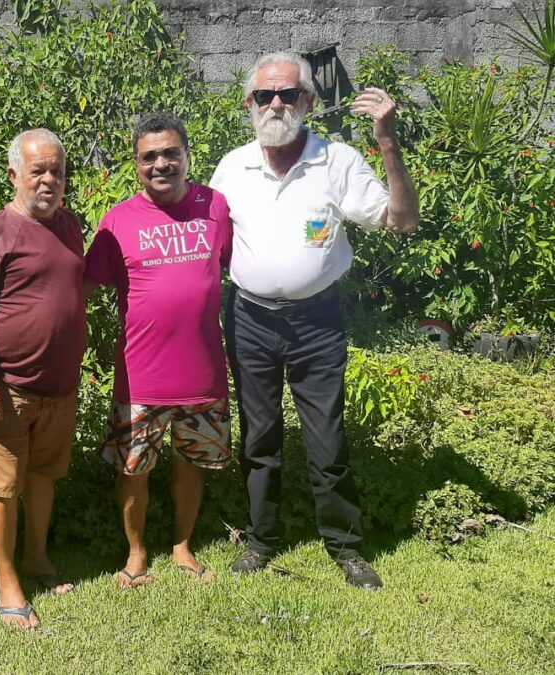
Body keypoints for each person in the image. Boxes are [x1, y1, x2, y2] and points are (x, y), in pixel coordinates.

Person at [209, 51, 419, 590]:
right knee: (259, 438)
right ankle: (261, 540)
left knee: (327, 441)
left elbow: (402, 221)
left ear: (308, 101)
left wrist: (388, 142)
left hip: (317, 323)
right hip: (249, 319)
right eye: (263, 95)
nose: (275, 104)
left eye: (287, 94)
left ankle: (345, 547)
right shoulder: (232, 167)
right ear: (248, 104)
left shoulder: (339, 161)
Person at [85, 112, 234, 589]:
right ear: (136, 165)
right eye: (149, 157)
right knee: (134, 469)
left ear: (188, 156)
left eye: (171, 153)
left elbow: (240, 266)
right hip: (140, 375)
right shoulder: (117, 221)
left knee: (193, 465)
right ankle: (136, 552)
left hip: (203, 372)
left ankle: (183, 545)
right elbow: (84, 287)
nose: (161, 164)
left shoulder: (216, 207)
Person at [0, 129, 86, 630]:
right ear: (14, 175)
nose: (50, 180)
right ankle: (7, 581)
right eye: (38, 171)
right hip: (7, 388)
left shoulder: (70, 226)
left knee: (43, 477)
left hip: (58, 388)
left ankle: (36, 559)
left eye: (57, 170)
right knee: (2, 487)